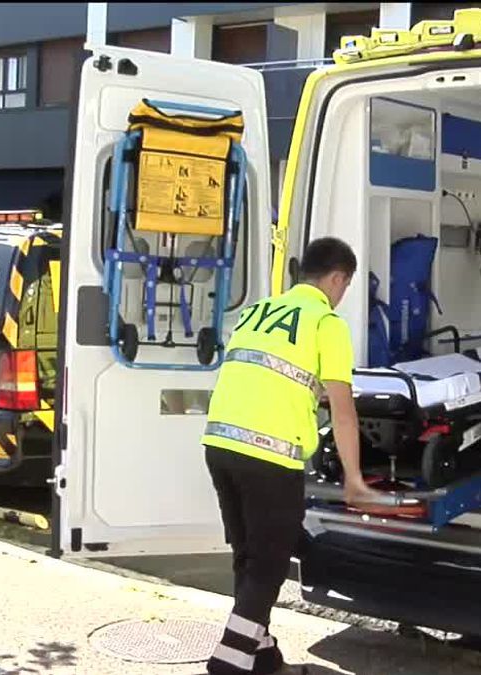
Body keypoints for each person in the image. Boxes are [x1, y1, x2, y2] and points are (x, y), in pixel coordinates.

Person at [202, 237, 377, 675]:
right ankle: (229, 663)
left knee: (247, 554)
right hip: (270, 455)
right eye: (345, 286)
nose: (342, 295)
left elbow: (266, 376)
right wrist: (354, 479)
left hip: (220, 444)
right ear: (338, 278)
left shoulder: (259, 310)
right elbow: (343, 411)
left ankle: (264, 660)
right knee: (269, 562)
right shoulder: (326, 322)